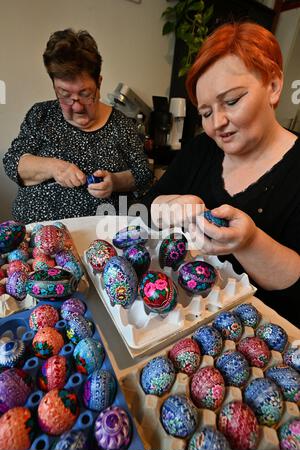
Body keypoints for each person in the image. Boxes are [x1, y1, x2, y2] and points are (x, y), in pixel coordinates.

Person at [143, 22, 300, 327]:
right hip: (184, 321)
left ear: (273, 85)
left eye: (232, 101)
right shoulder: (202, 149)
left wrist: (249, 242)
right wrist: (170, 205)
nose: (218, 123)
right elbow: (147, 207)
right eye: (206, 113)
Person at [3, 29, 153, 224]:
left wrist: (114, 182)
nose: (77, 106)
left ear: (99, 83)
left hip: (100, 236)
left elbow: (143, 175)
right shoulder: (41, 114)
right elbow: (13, 162)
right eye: (65, 95)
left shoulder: (121, 124)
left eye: (85, 94)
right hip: (35, 235)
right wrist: (53, 167)